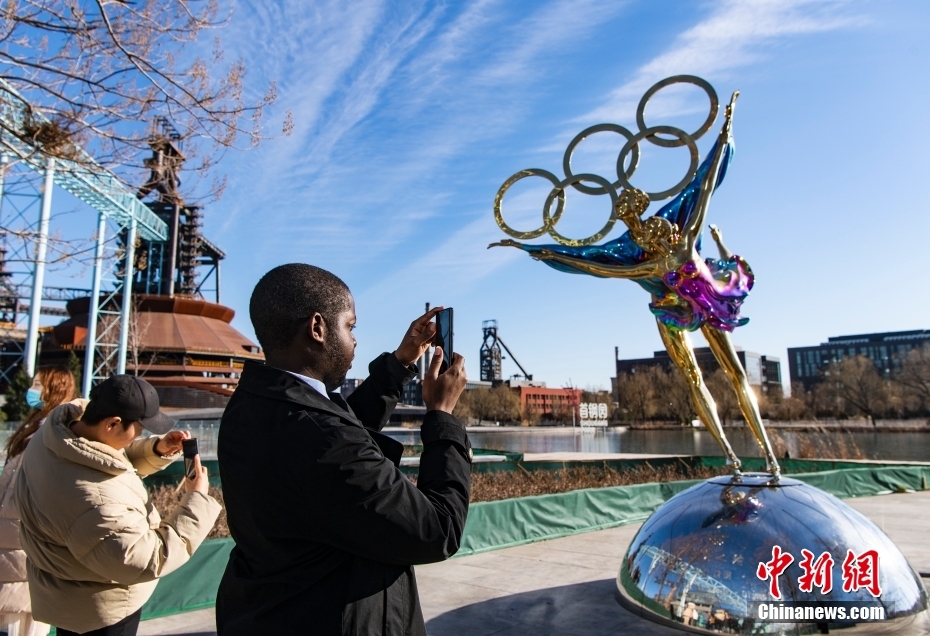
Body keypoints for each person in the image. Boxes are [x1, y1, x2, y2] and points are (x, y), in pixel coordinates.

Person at [490, 92, 780, 476]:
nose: (644, 223)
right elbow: (591, 263)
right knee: (697, 377)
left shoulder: (678, 233)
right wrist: (538, 249)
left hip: (702, 301)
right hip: (670, 311)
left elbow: (704, 185)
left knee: (732, 373)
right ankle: (732, 455)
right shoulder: (640, 251)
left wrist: (725, 132)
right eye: (628, 213)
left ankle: (766, 456)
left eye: (635, 212)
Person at [216, 264, 471, 635]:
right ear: (318, 328)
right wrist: (442, 417)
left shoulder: (255, 405)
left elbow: (343, 430)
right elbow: (438, 530)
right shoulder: (321, 437)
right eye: (350, 326)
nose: (354, 340)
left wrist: (401, 363)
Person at [14, 375, 222, 636]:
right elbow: (147, 559)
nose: (143, 433)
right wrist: (196, 500)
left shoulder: (57, 435)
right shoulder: (96, 502)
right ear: (112, 423)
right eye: (140, 428)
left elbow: (107, 462)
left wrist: (156, 449)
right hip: (101, 611)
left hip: (68, 597)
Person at [0, 366, 76, 636]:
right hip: (11, 545)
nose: (31, 390)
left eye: (37, 384)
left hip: (25, 547)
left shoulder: (56, 434)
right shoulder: (36, 428)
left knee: (23, 623)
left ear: (53, 389)